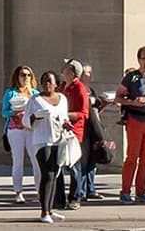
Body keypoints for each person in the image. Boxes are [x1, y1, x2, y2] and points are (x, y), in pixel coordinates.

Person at [116, 47, 145, 204]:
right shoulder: (131, 77)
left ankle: (141, 191)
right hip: (135, 119)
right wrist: (133, 102)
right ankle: (125, 191)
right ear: (139, 60)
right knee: (132, 157)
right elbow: (118, 97)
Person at [27, 71, 73, 224]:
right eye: (44, 81)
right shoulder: (35, 100)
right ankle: (43, 211)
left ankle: (51, 209)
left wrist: (67, 125)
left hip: (58, 140)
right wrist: (35, 116)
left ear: (56, 84)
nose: (47, 84)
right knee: (47, 174)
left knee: (55, 175)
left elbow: (64, 117)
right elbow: (26, 120)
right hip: (42, 140)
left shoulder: (62, 99)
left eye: (50, 81)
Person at [60, 61, 97, 207]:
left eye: (66, 68)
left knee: (75, 165)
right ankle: (59, 198)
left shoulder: (79, 88)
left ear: (73, 71)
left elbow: (84, 113)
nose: (63, 70)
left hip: (75, 131)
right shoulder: (63, 87)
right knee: (60, 165)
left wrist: (65, 115)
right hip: (61, 130)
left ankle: (76, 197)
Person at [3, 64, 37, 202]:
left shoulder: (35, 94)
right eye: (23, 75)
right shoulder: (11, 93)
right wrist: (14, 112)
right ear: (17, 77)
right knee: (18, 161)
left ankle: (40, 190)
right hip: (15, 130)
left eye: (29, 75)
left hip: (31, 129)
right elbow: (4, 112)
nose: (26, 78)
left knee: (36, 160)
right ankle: (18, 192)